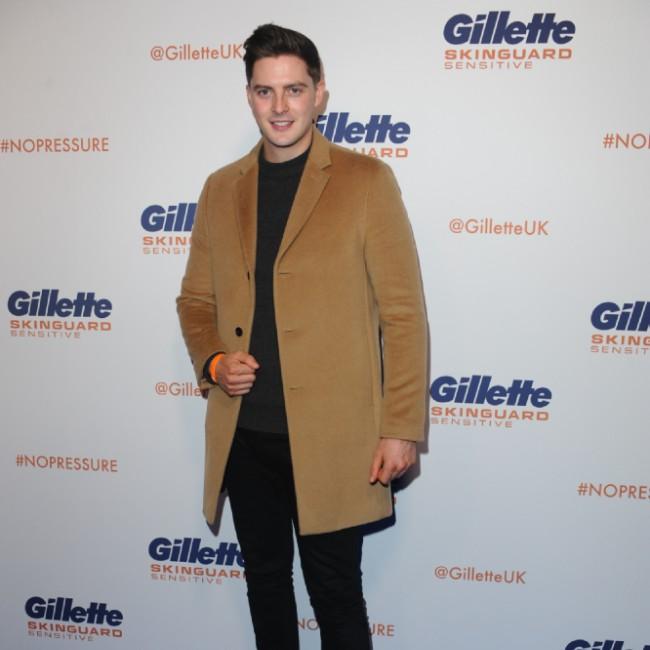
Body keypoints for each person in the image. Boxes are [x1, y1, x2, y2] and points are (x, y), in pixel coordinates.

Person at [177, 23, 427, 650]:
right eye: (265, 91)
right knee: (264, 585)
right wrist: (213, 361)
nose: (280, 106)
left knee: (336, 594)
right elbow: (195, 301)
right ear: (249, 96)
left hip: (336, 439)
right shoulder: (220, 188)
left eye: (294, 89)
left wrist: (400, 426)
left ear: (320, 93)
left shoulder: (366, 181)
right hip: (246, 433)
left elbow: (402, 314)